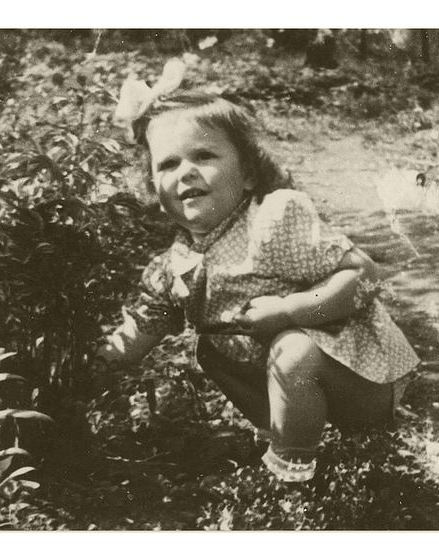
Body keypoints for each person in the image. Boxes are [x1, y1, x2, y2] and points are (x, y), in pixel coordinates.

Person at [98, 92, 419, 482]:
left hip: (364, 381)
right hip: (295, 390)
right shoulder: (174, 267)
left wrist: (290, 310)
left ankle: (292, 479)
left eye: (204, 156)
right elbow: (133, 340)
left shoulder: (271, 223)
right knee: (211, 349)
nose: (185, 172)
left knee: (292, 349)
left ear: (248, 172)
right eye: (167, 164)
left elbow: (364, 275)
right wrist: (83, 366)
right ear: (152, 186)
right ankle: (295, 441)